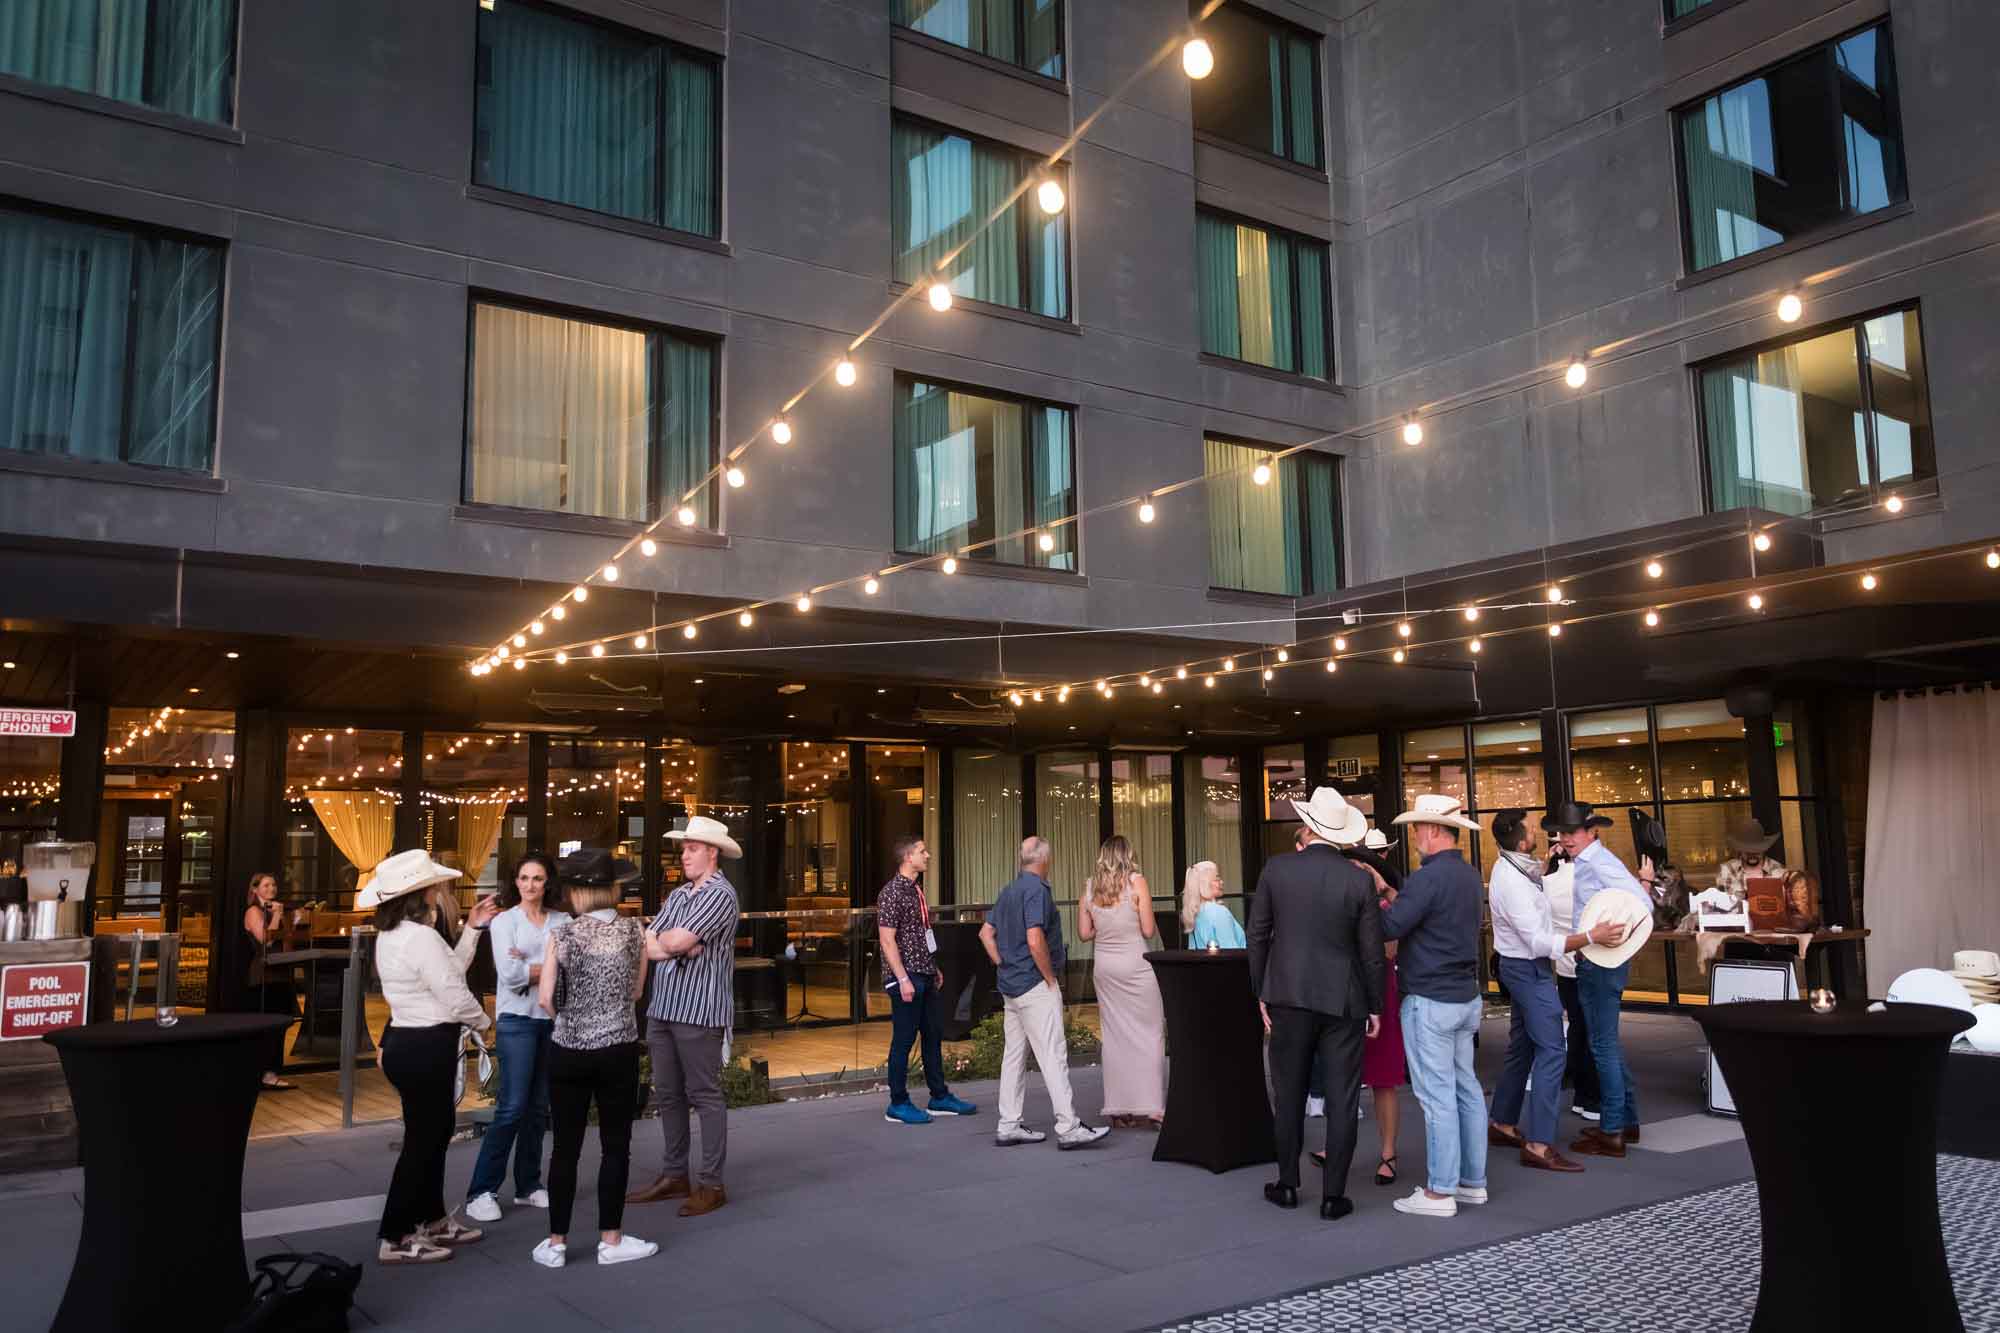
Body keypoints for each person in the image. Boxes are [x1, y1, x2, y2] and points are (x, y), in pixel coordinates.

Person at [1249, 787, 1383, 1221]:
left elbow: (1258, 935)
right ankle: (1333, 1197)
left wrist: (1261, 992)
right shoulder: (1358, 878)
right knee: (1342, 1100)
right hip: (1344, 999)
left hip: (1287, 994)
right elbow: (1371, 951)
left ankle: (1287, 1184)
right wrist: (1376, 1005)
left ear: (1308, 829)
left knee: (1287, 1094)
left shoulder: (1277, 870)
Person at [361, 849, 499, 1265]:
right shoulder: (419, 937)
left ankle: (432, 1218)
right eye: (435, 888)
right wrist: (484, 1023)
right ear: (420, 895)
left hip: (410, 1043)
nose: (440, 893)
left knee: (433, 1135)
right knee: (423, 1143)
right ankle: (396, 1235)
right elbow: (454, 993)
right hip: (426, 1047)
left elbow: (447, 974)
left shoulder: (396, 935)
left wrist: (472, 930)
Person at [1486, 810, 1628, 1173]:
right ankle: (1539, 1144)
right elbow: (1538, 941)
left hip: (1518, 967)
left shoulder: (1512, 866)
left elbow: (1529, 881)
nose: (1544, 835)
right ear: (1520, 841)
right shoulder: (1511, 883)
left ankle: (1502, 1122)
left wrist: (1544, 868)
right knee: (1553, 1050)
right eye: (1533, 830)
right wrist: (1592, 936)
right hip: (1528, 969)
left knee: (1521, 1046)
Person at [532, 851, 655, 1268]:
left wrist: (570, 1020)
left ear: (577, 892)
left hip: (568, 1050)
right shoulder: (633, 932)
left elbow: (547, 997)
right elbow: (638, 992)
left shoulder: (562, 934)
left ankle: (556, 1244)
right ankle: (611, 1239)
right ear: (611, 888)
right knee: (615, 1146)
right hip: (618, 1047)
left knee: (565, 1149)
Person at [1380, 794, 1486, 1218]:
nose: (1414, 836)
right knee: (1467, 1090)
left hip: (1430, 998)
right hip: (1466, 996)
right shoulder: (1469, 875)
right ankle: (1471, 1183)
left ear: (1434, 830)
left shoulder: (1426, 879)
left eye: (1417, 828)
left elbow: (1390, 926)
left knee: (1436, 1096)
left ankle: (1440, 1193)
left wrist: (1372, 900)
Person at [628, 817, 741, 1217]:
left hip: (698, 1009)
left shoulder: (721, 895)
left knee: (704, 1095)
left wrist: (675, 943)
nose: (684, 854)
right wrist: (675, 945)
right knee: (669, 1093)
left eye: (692, 848)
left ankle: (712, 1183)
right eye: (684, 847)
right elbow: (648, 942)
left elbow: (671, 940)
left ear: (712, 851)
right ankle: (676, 1175)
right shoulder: (679, 895)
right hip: (663, 1007)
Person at [978, 836, 1109, 1150]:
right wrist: (1049, 978)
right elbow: (1035, 938)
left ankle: (1008, 1124)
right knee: (1053, 1056)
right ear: (1044, 859)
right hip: (1034, 986)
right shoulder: (1036, 890)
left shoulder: (1009, 890)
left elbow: (985, 933)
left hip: (1011, 986)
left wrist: (1004, 963)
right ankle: (1068, 1126)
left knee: (1013, 1057)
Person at [465, 853, 570, 1222]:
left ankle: (528, 1185)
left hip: (552, 1020)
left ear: (547, 882)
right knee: (512, 1106)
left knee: (539, 1107)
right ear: (516, 882)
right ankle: (481, 1191)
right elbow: (509, 975)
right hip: (516, 1020)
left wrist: (530, 965)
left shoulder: (562, 920)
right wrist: (547, 967)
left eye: (537, 878)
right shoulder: (504, 921)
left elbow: (571, 967)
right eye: (524, 878)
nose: (530, 885)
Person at [1545, 802, 1651, 1159]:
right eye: (1562, 832)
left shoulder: (1600, 863)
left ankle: (1612, 1131)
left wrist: (1609, 936)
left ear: (1592, 832)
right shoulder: (1589, 862)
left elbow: (1642, 904)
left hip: (1602, 963)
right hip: (1598, 960)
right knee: (1606, 1043)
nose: (1565, 838)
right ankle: (1625, 1121)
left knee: (1602, 1045)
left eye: (1572, 832)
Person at [877, 835, 977, 1125]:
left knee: (933, 1035)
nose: (928, 855)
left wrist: (933, 967)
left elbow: (919, 934)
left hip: (925, 973)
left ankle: (939, 1096)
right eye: (922, 851)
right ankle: (897, 1103)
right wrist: (902, 978)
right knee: (904, 1040)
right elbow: (887, 940)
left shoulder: (915, 890)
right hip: (907, 977)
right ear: (908, 857)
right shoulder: (892, 892)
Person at [1079, 835, 1165, 1129]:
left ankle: (1118, 1107)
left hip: (1105, 967)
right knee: (1150, 1033)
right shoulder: (1137, 881)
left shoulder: (1090, 886)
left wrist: (1105, 923)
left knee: (1115, 1037)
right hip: (1135, 966)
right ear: (1129, 855)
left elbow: (1083, 932)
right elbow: (1149, 928)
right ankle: (1152, 1107)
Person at [1543, 845, 1600, 1122]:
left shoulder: (1547, 883)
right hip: (1589, 963)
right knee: (1593, 1033)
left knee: (1576, 1029)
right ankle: (1591, 1098)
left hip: (1563, 967)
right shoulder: (1589, 881)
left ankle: (1580, 1094)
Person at [242, 870, 297, 1091]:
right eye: (266, 886)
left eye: (273, 885)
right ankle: (264, 1073)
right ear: (255, 889)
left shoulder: (277, 910)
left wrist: (290, 920)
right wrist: (276, 916)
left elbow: (287, 940)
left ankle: (273, 1071)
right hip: (263, 974)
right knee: (267, 1024)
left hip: (281, 971)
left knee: (281, 1023)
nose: (271, 889)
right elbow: (265, 940)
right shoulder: (253, 911)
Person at [1712, 819, 1786, 901]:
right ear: (1740, 850)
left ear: (1764, 849)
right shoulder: (1726, 870)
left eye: (1756, 851)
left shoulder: (1779, 871)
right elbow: (1719, 903)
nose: (1752, 855)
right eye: (1747, 851)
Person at [1182, 861, 1245, 949]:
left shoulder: (1194, 913)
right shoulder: (1219, 912)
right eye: (1217, 879)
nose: (1222, 882)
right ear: (1204, 884)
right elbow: (1231, 952)